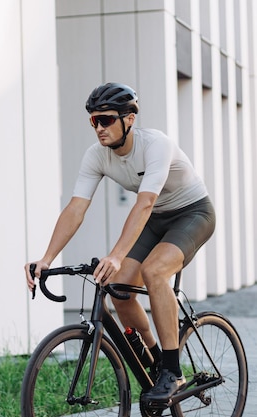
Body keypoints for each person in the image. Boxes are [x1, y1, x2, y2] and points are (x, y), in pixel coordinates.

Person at [24, 82, 215, 403]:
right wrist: (46, 258)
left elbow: (144, 202)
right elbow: (75, 208)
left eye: (106, 120)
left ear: (129, 119)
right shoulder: (96, 156)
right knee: (121, 288)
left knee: (155, 272)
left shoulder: (156, 145)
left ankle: (174, 370)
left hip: (192, 213)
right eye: (93, 121)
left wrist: (115, 255)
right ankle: (156, 360)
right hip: (155, 219)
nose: (98, 128)